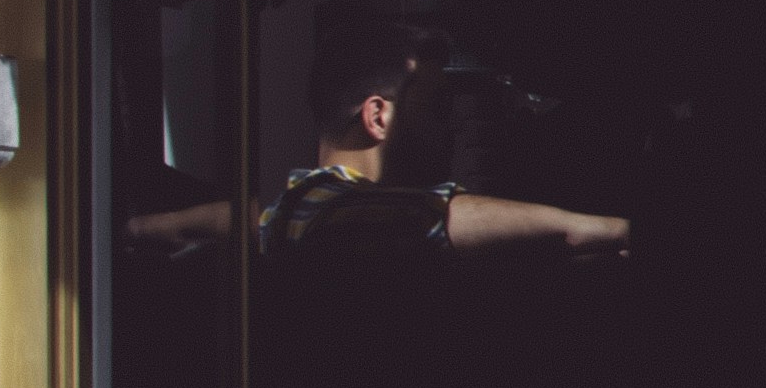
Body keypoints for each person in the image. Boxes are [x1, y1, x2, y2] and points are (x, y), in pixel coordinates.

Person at [258, 25, 629, 259]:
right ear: (378, 117)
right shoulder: (316, 208)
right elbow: (426, 215)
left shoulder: (293, 216)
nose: (449, 128)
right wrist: (591, 228)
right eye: (435, 108)